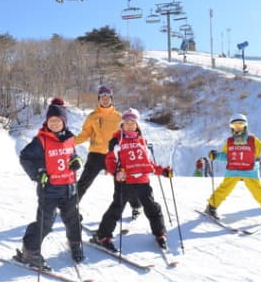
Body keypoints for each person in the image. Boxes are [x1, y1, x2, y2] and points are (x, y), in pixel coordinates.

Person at [91, 108, 172, 251]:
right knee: (117, 208)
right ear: (122, 124)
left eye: (132, 122)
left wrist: (163, 171)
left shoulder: (142, 141)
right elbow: (109, 161)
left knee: (152, 206)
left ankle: (160, 233)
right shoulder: (116, 141)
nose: (129, 125)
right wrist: (116, 172)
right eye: (127, 122)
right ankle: (102, 236)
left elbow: (148, 164)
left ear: (137, 125)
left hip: (142, 180)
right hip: (124, 181)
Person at [16, 98, 84, 268]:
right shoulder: (42, 140)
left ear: (64, 121)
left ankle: (75, 244)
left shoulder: (69, 138)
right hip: (50, 189)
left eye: (58, 121)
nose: (54, 124)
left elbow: (72, 155)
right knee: (45, 223)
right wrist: (38, 173)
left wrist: (76, 161)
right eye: (51, 120)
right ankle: (30, 251)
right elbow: (25, 157)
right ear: (47, 122)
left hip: (69, 187)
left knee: (73, 219)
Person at [74, 86, 142, 219]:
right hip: (95, 154)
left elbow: (128, 132)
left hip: (114, 155)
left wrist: (137, 144)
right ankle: (70, 206)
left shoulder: (119, 117)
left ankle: (136, 206)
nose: (105, 100)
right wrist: (70, 142)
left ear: (111, 99)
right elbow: (85, 133)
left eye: (108, 97)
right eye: (102, 97)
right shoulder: (92, 116)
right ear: (99, 99)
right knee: (83, 182)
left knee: (124, 182)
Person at [204, 114, 261, 224]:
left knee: (258, 191)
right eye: (235, 125)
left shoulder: (252, 140)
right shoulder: (230, 141)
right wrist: (216, 155)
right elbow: (226, 156)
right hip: (234, 169)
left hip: (250, 170)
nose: (238, 127)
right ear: (232, 127)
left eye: (241, 125)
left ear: (245, 126)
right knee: (224, 189)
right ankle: (211, 207)